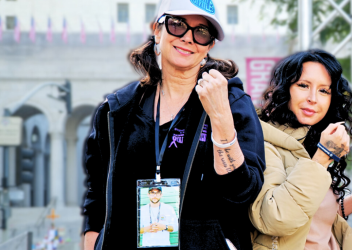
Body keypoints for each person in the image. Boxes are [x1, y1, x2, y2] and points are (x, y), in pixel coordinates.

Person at [81, 0, 265, 249]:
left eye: (202, 32)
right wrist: (93, 241)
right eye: (177, 25)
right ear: (157, 30)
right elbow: (97, 193)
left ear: (209, 45)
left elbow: (243, 193)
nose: (189, 38)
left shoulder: (232, 103)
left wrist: (220, 117)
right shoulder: (117, 110)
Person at [249, 49, 352, 250]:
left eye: (324, 90)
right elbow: (276, 218)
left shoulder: (311, 142)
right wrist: (323, 157)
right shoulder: (263, 143)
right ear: (284, 89)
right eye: (303, 85)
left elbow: (313, 218)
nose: (313, 98)